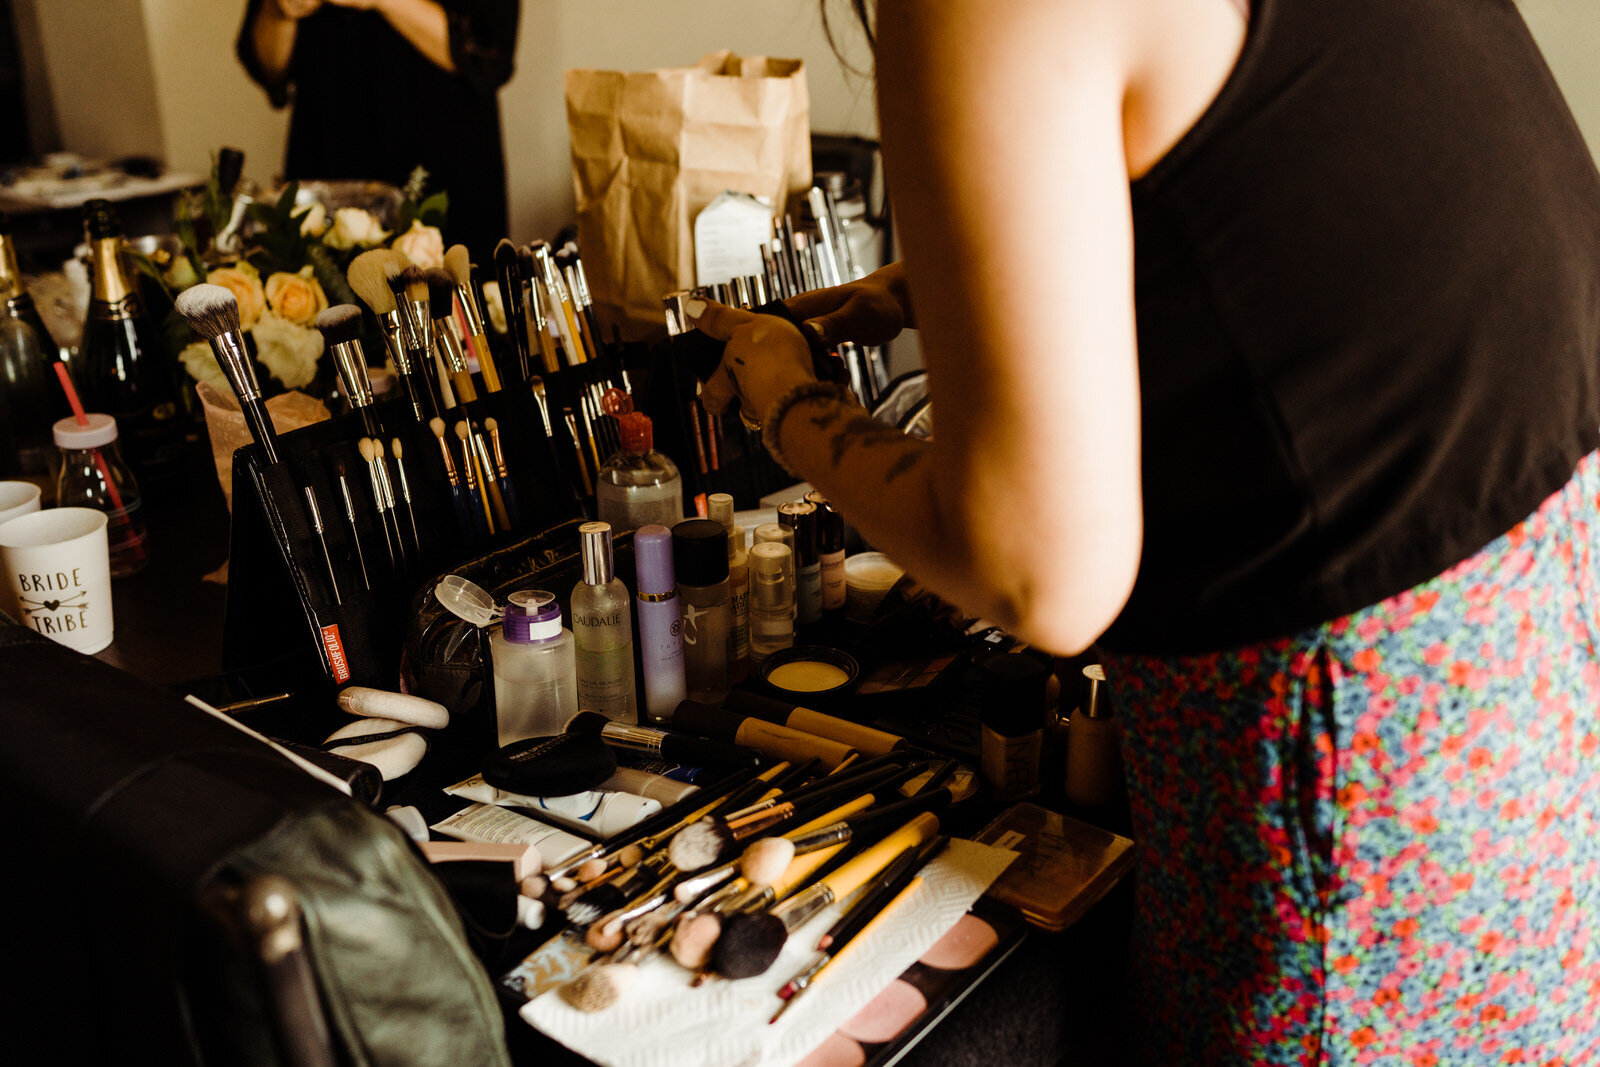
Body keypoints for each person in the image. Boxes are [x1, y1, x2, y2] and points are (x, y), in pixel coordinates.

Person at [688, 0, 1600, 1062]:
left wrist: (788, 405)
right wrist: (932, 287)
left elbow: (1038, 573)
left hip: (1363, 801)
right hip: (1536, 718)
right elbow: (1273, 209)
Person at [237, 0, 517, 258]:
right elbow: (269, 69)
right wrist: (283, 9)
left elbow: (491, 54)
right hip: (326, 156)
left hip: (446, 165)